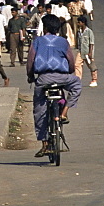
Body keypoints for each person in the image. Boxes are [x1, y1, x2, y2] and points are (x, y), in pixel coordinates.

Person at [27, 14, 81, 158]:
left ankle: (44, 143)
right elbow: (70, 61)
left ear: (44, 27)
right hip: (62, 77)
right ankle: (64, 112)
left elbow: (30, 61)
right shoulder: (63, 42)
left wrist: (30, 76)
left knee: (39, 110)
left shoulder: (37, 41)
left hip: (43, 78)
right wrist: (69, 73)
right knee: (76, 84)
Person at [75, 15, 98, 87]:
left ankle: (94, 80)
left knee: (91, 66)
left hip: (87, 52)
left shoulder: (89, 31)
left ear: (83, 23)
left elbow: (91, 43)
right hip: (81, 51)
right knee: (77, 64)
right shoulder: (79, 31)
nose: (78, 24)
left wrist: (90, 53)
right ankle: (78, 80)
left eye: (79, 22)